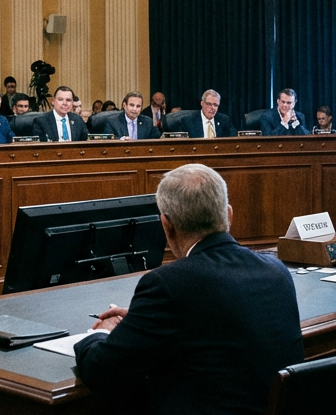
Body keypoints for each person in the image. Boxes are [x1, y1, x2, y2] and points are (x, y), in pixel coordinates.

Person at [74, 164, 303, 411]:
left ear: (167, 224)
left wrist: (101, 333)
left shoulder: (168, 284)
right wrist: (143, 322)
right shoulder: (276, 270)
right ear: (228, 215)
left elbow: (102, 371)